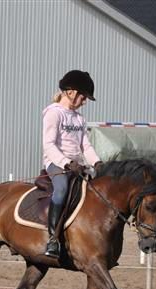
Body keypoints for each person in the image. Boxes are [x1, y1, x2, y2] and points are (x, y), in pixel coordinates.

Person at [41, 70, 102, 258]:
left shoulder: (79, 119)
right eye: (84, 97)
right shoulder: (53, 114)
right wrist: (66, 164)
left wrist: (97, 162)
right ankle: (52, 239)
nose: (84, 102)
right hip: (56, 165)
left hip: (78, 165)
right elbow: (48, 144)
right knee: (61, 190)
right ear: (71, 92)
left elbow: (86, 145)